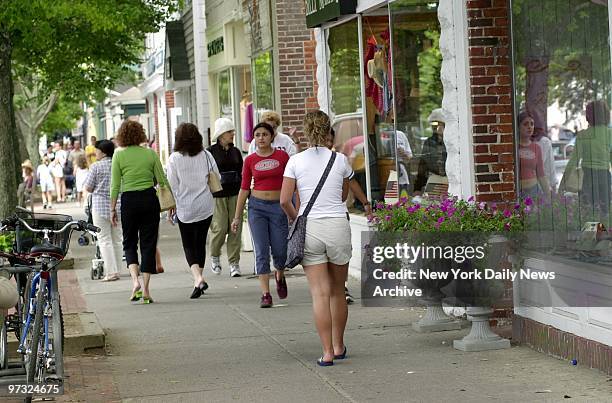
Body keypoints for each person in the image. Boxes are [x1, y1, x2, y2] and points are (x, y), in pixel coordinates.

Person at [280, 110, 353, 366]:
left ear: (305, 131)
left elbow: (284, 200)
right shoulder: (341, 160)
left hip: (309, 227)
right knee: (337, 292)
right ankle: (339, 344)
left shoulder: (295, 161)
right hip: (336, 226)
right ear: (328, 130)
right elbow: (343, 196)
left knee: (319, 294)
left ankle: (326, 353)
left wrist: (295, 217)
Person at [110, 121, 170, 304]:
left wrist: (112, 208)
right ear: (141, 134)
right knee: (148, 243)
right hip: (149, 199)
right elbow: (162, 180)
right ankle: (145, 289)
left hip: (129, 201)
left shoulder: (118, 156)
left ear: (122, 136)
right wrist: (170, 201)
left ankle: (134, 281)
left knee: (129, 242)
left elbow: (115, 186)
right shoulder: (150, 154)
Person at [231, 123, 289, 308]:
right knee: (261, 250)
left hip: (278, 207)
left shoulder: (282, 156)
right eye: (257, 135)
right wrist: (237, 217)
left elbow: (292, 183)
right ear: (254, 138)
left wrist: (293, 209)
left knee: (280, 250)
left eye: (265, 134)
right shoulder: (250, 160)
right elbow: (244, 188)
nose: (261, 138)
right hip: (257, 208)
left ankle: (279, 273)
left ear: (272, 137)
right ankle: (265, 293)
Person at [167, 123, 218, 299]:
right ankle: (199, 280)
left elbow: (171, 184)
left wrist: (170, 207)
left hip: (185, 206)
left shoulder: (174, 158)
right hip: (205, 204)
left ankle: (198, 278)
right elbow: (216, 176)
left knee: (188, 244)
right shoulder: (206, 155)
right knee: (200, 243)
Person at [326, 129, 370, 304]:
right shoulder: (307, 161)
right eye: (325, 140)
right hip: (319, 217)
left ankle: (341, 287)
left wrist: (365, 203)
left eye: (331, 140)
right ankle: (332, 289)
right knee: (327, 255)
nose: (328, 144)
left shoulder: (339, 160)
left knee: (342, 253)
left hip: (338, 214)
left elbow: (351, 183)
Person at [207, 118, 243, 277]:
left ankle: (234, 263)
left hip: (235, 193)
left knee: (235, 229)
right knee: (219, 228)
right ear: (221, 134)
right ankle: (215, 256)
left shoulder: (236, 151)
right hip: (217, 195)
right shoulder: (209, 152)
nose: (232, 134)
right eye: (230, 132)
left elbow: (242, 171)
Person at [84, 140, 123, 282]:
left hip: (100, 206)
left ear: (103, 152)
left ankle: (111, 272)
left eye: (97, 150)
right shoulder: (118, 164)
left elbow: (88, 187)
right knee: (117, 239)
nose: (95, 153)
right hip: (118, 204)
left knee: (104, 239)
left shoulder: (96, 167)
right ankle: (118, 269)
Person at [574, 100, 612, 214]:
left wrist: (562, 186)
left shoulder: (582, 135)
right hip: (604, 175)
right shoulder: (609, 133)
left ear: (588, 116)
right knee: (604, 212)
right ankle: (603, 231)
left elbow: (573, 161)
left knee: (588, 212)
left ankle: (592, 231)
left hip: (586, 176)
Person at [518, 111, 551, 200]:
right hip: (519, 192)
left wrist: (549, 196)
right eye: (525, 124)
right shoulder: (514, 147)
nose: (529, 127)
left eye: (532, 124)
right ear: (518, 127)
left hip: (534, 191)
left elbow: (541, 174)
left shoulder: (536, 148)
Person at [415, 108, 447, 194]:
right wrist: (417, 188)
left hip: (450, 181)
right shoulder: (429, 142)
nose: (437, 127)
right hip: (434, 180)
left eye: (440, 124)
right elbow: (423, 165)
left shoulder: (452, 142)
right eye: (434, 124)